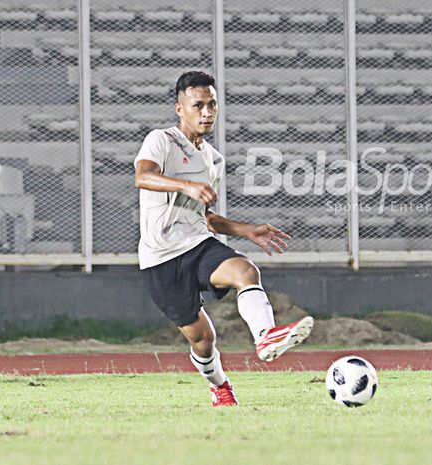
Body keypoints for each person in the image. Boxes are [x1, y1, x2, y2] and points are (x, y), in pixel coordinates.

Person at [133, 71, 314, 407]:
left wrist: (245, 229)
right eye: (197, 105)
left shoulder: (213, 159)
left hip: (198, 244)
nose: (206, 112)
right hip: (160, 258)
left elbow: (204, 218)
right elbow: (143, 176)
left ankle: (265, 336)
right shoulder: (161, 140)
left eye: (212, 104)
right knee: (203, 340)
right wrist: (186, 185)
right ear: (179, 109)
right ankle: (219, 385)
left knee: (246, 272)